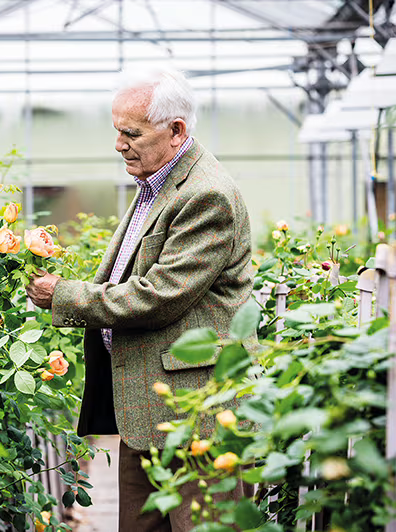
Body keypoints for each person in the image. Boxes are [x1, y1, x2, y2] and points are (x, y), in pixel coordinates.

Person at [26, 68, 254, 531]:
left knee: (205, 524)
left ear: (176, 132)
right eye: (117, 131)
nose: (119, 145)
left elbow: (158, 296)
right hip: (148, 407)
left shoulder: (207, 194)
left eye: (131, 133)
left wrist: (64, 296)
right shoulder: (156, 185)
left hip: (197, 416)